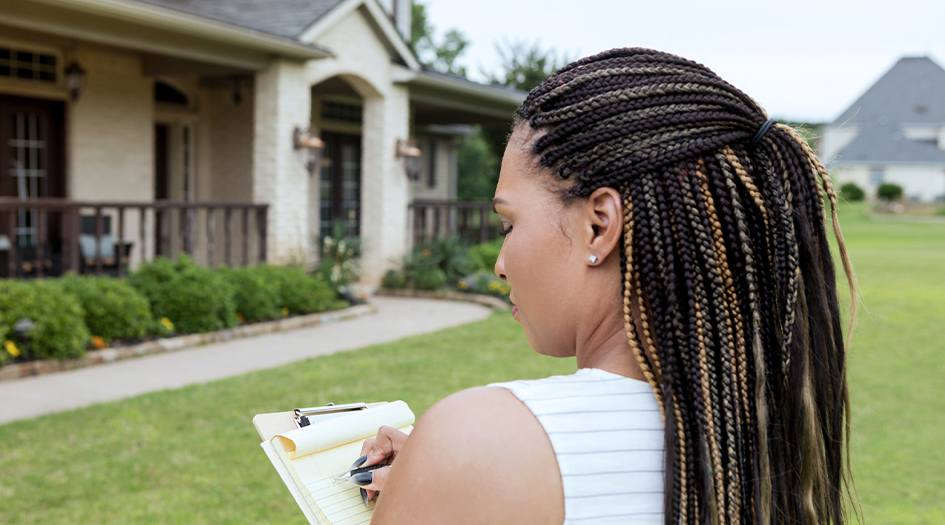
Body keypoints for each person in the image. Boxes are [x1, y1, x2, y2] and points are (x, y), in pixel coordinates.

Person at [354, 48, 858, 525]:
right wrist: (435, 475)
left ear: (600, 225)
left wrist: (443, 471)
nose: (501, 265)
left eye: (509, 225)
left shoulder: (473, 440)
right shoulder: (768, 438)